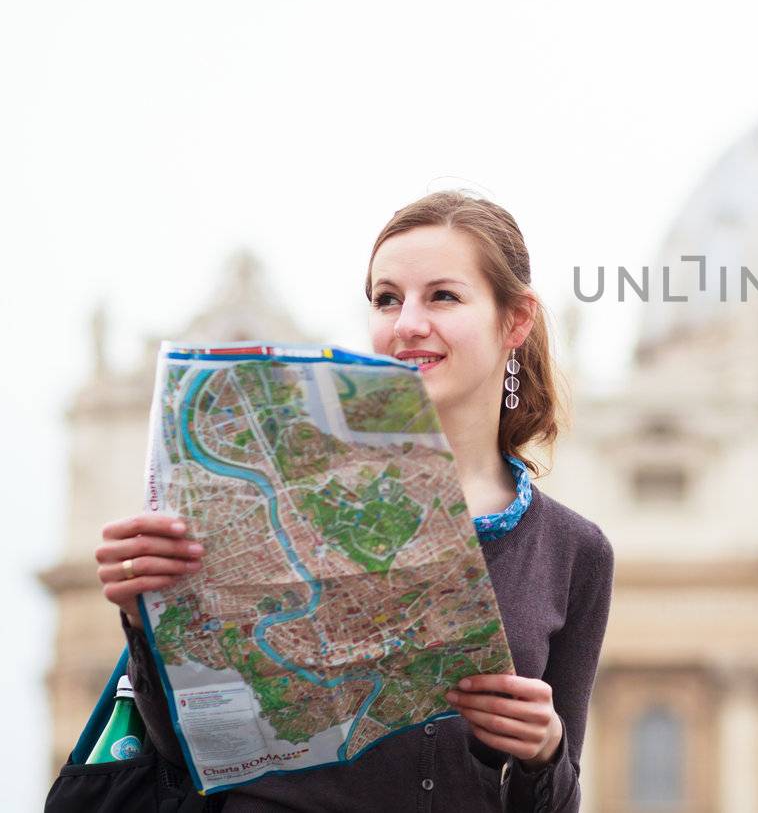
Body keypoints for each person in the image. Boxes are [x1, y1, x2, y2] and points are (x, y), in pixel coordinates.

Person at [93, 191, 615, 812]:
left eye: (442, 296)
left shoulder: (574, 551)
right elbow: (181, 756)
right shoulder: (274, 500)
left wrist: (545, 750)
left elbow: (556, 804)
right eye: (387, 299)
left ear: (515, 320)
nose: (407, 324)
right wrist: (143, 618)